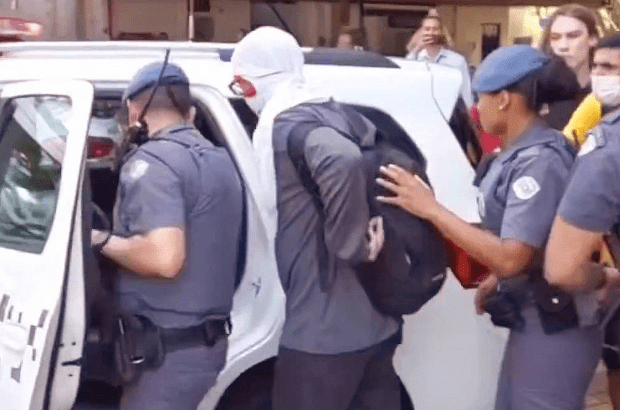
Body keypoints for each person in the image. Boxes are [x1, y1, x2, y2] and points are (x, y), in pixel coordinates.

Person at [376, 45, 602, 410]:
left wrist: (432, 210)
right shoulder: (514, 154)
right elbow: (538, 240)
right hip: (533, 316)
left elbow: (512, 257)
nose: (476, 109)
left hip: (556, 323)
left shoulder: (538, 161)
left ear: (503, 100)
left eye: (480, 98)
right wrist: (497, 280)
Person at [230, 26, 401, 410]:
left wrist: (350, 244)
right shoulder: (333, 110)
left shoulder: (288, 124)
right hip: (375, 322)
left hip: (322, 334)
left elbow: (341, 158)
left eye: (241, 87)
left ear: (251, 82)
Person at [91, 61, 244, 410]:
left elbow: (164, 259)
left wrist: (99, 240)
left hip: (165, 354)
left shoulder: (154, 164)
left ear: (134, 109)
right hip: (202, 347)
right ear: (187, 110)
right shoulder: (219, 159)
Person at [546, 34, 620, 410]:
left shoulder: (607, 148)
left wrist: (605, 278)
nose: (598, 76)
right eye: (595, 67)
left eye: (609, 68)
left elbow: (561, 267)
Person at [540, 4, 599, 130]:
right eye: (555, 38)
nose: (563, 46)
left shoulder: (608, 88)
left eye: (573, 36)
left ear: (592, 38)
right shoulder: (538, 87)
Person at [409, 13, 473, 107]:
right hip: (420, 110)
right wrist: (417, 48)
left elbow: (466, 92)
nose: (430, 33)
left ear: (441, 32)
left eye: (435, 29)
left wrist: (469, 115)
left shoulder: (457, 60)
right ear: (421, 33)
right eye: (427, 29)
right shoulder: (414, 58)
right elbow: (406, 81)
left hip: (449, 113)